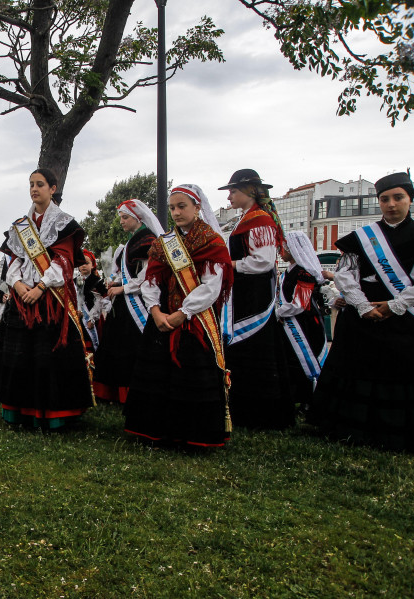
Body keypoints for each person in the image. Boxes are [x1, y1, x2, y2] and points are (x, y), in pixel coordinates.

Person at [310, 172, 414, 463]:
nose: (391, 205)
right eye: (385, 199)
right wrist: (362, 306)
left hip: (408, 317)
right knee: (357, 368)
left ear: (410, 199)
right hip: (364, 316)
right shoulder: (363, 239)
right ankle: (351, 430)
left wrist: (394, 305)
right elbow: (346, 276)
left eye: (398, 198)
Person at [0, 167, 92, 429]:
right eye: (31, 184)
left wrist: (40, 287)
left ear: (52, 189)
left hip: (52, 300)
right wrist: (18, 286)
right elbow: (15, 260)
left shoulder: (64, 223)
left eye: (40, 184)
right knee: (21, 356)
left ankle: (54, 416)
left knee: (49, 356)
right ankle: (20, 411)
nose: (34, 189)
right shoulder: (21, 225)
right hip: (22, 299)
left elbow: (63, 261)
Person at [124, 185, 234, 448]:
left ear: (197, 207)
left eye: (181, 206)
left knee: (191, 376)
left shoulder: (211, 242)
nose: (175, 212)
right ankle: (156, 431)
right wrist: (155, 310)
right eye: (172, 207)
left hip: (195, 320)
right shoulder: (165, 243)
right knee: (158, 376)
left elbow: (212, 285)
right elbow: (150, 279)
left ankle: (191, 435)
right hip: (162, 319)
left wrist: (182, 313)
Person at [219, 168, 293, 430]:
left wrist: (230, 264)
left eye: (233, 191)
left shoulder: (259, 220)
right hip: (244, 291)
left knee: (253, 345)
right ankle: (243, 408)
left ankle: (259, 413)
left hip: (254, 293)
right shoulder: (246, 219)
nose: (229, 196)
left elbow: (262, 262)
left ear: (249, 191)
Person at [92, 199, 164, 403]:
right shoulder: (132, 241)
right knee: (116, 345)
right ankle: (114, 391)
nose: (121, 222)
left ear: (137, 218)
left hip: (138, 303)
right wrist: (114, 282)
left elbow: (147, 275)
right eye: (121, 218)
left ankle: (131, 391)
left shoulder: (147, 241)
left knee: (131, 346)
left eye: (125, 217)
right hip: (124, 302)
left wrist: (123, 287)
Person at [276, 231, 328, 413]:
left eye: (282, 246)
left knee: (306, 358)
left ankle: (310, 399)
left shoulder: (304, 272)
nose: (279, 250)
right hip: (288, 323)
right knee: (291, 359)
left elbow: (300, 303)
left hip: (305, 324)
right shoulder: (287, 272)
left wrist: (278, 312)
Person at [76, 249, 108, 353]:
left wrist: (92, 318)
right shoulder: (75, 281)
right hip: (80, 318)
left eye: (86, 263)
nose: (83, 266)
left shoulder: (98, 281)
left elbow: (102, 300)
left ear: (93, 265)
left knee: (97, 342)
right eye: (81, 263)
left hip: (94, 319)